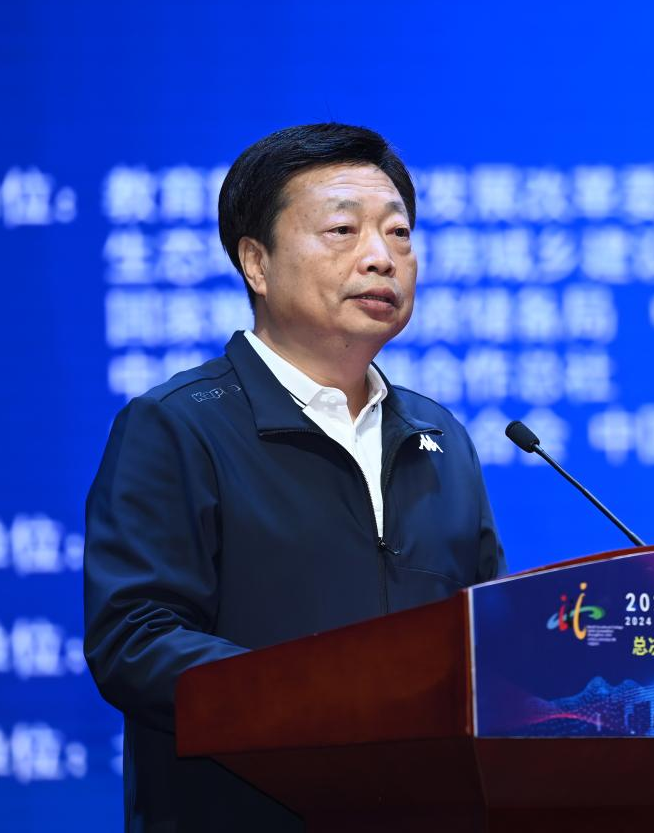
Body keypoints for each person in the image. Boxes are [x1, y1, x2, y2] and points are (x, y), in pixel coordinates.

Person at [83, 123, 506, 831]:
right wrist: (327, 702)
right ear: (256, 262)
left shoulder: (437, 436)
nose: (381, 258)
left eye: (399, 234)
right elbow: (136, 639)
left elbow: (485, 633)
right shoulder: (179, 425)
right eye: (343, 230)